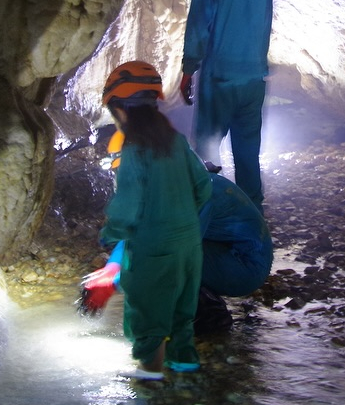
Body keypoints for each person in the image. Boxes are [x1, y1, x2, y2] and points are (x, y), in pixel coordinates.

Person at [97, 60, 213, 380]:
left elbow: (127, 206)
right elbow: (203, 186)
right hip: (190, 246)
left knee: (148, 310)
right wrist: (184, 217)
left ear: (120, 110)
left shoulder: (134, 150)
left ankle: (150, 377)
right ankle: (184, 365)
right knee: (181, 311)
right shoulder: (176, 141)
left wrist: (110, 233)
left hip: (153, 247)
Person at [80, 145, 273, 336]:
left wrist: (114, 283)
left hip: (245, 267)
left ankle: (208, 314)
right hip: (222, 250)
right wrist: (112, 268)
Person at [179, 0, 274, 206]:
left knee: (207, 153)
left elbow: (198, 26)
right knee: (248, 156)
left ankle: (209, 218)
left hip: (220, 78)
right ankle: (253, 222)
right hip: (254, 81)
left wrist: (188, 69)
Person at [195, 172, 274, 333]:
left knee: (164, 255)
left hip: (245, 269)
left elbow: (179, 245)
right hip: (240, 257)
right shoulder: (196, 178)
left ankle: (210, 312)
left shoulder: (199, 192)